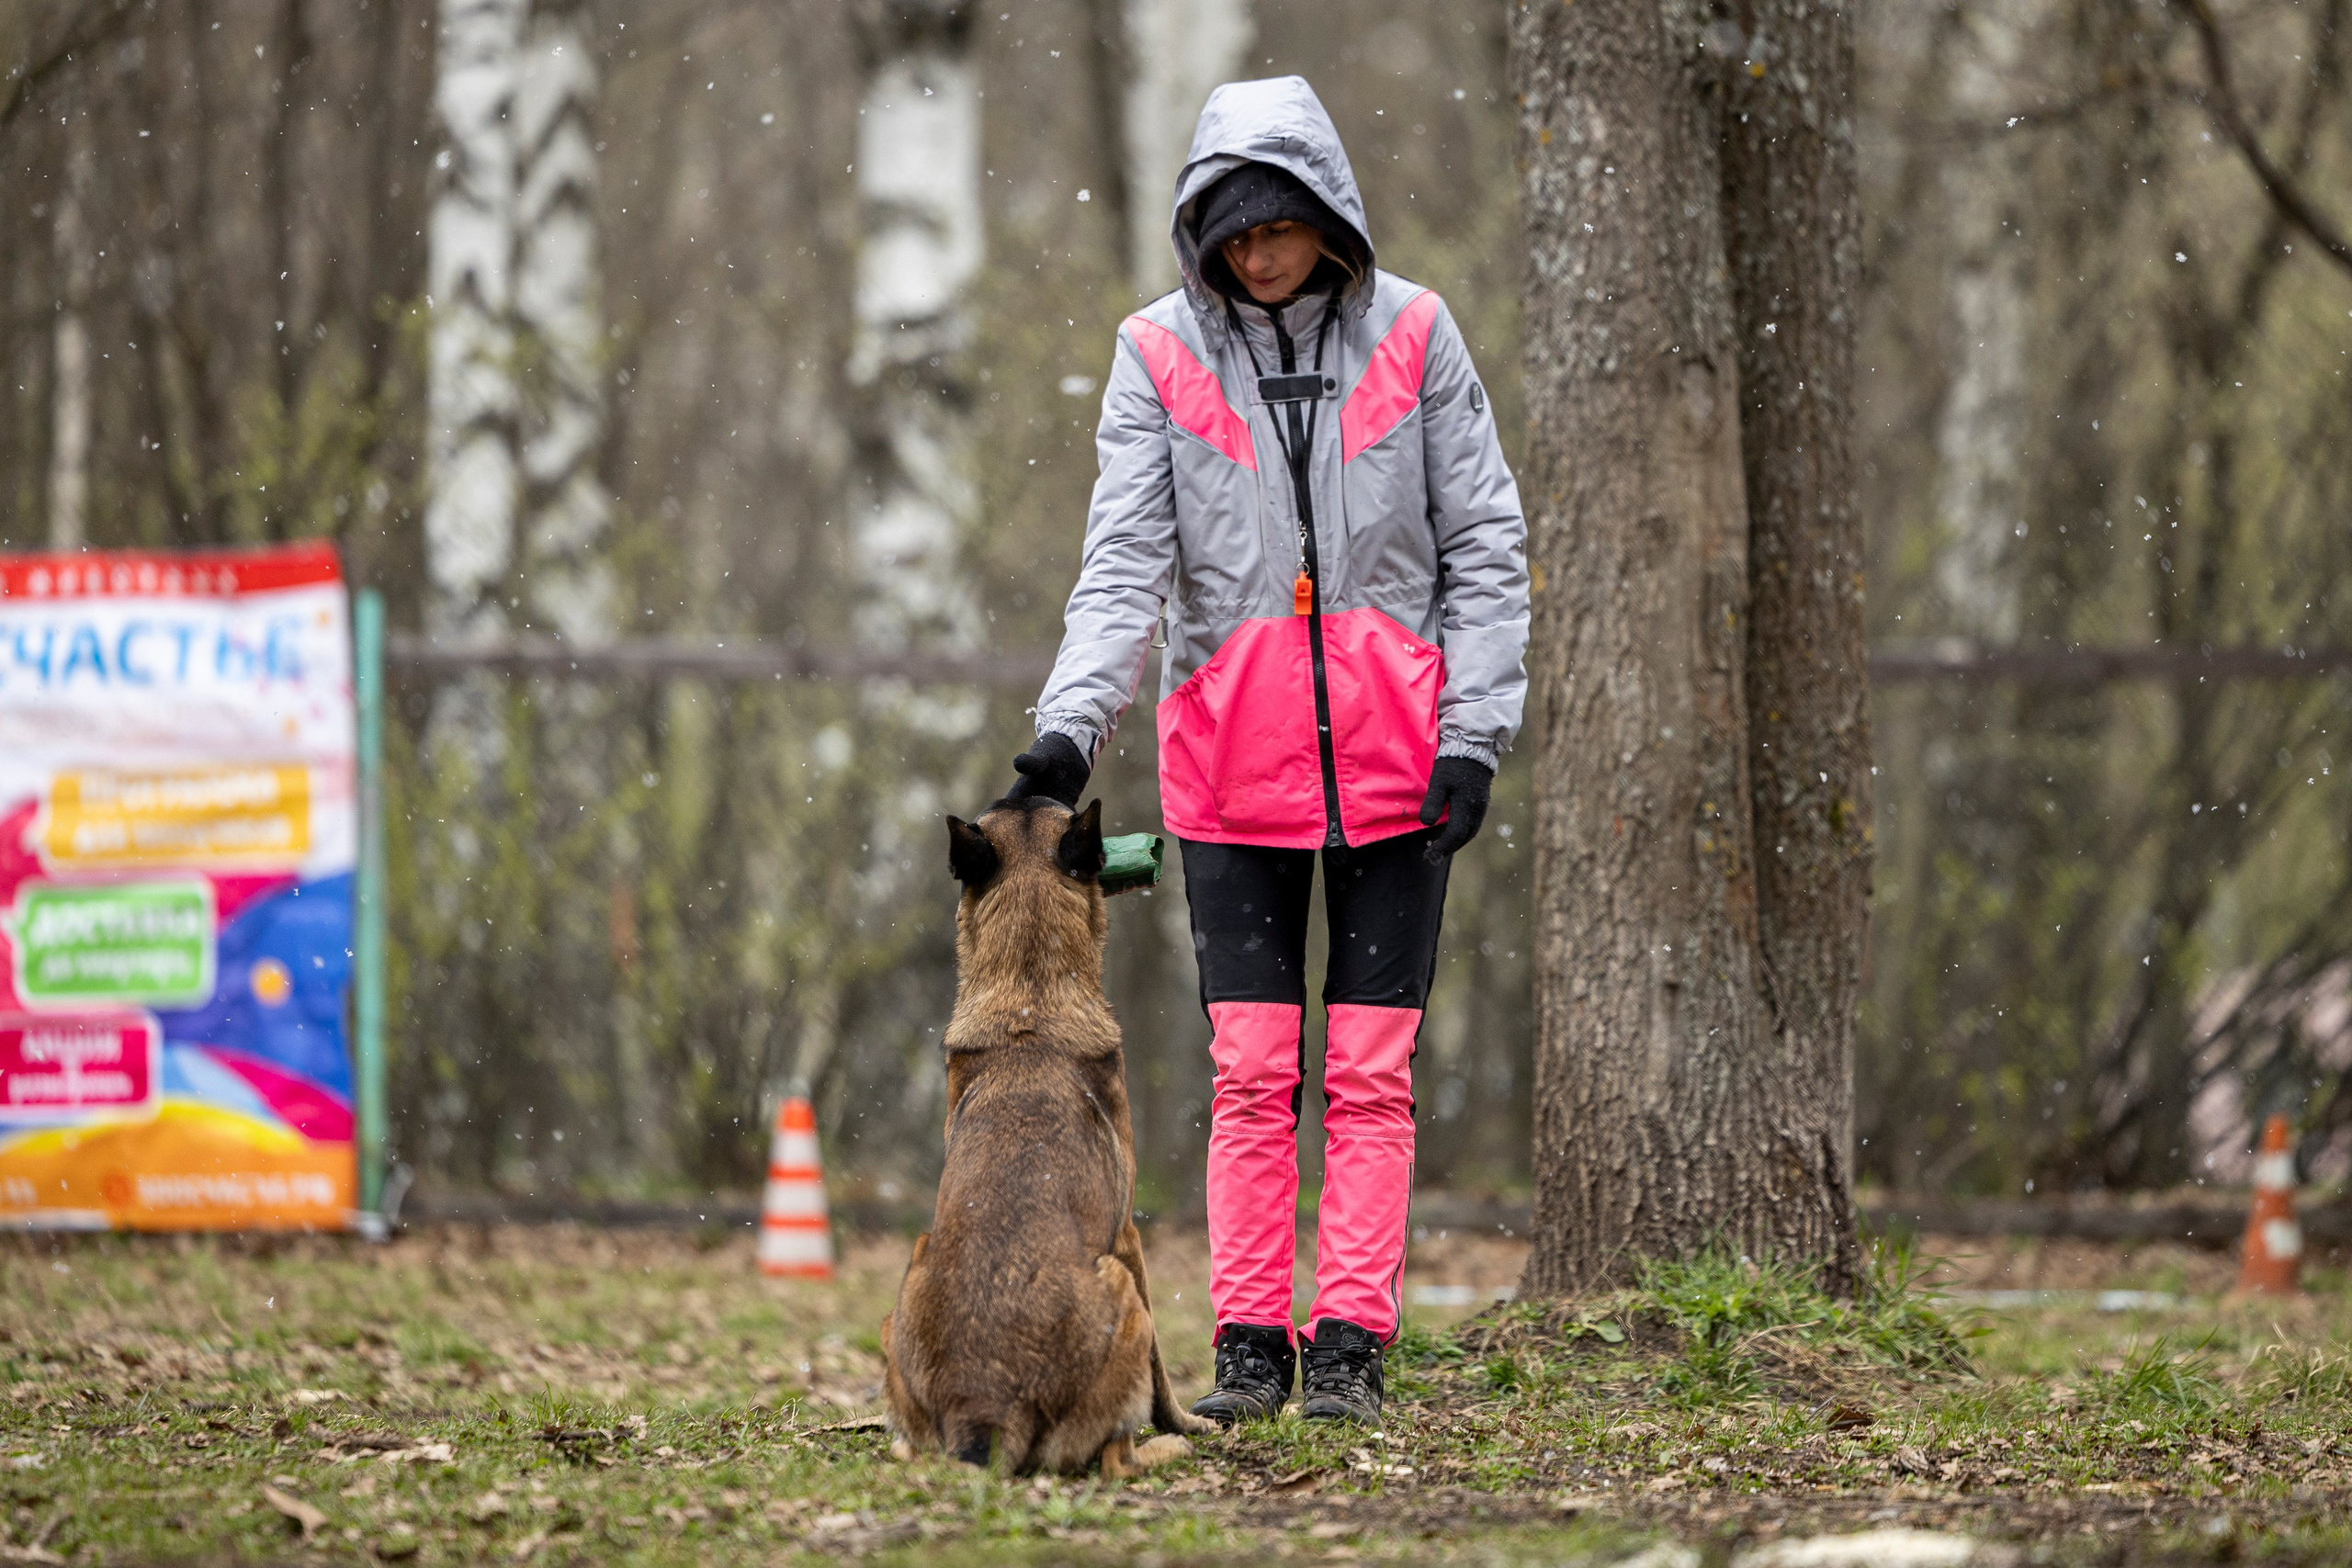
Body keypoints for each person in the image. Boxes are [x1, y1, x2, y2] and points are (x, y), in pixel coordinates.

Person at [1003, 76, 1528, 1429]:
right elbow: (1123, 565)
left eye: (1278, 226)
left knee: (1367, 1071)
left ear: (1326, 216)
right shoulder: (1155, 354)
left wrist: (1473, 733)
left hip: (1403, 771)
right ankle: (1248, 1343)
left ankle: (1349, 1343)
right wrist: (1066, 734)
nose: (1259, 254)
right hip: (1231, 775)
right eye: (1233, 233)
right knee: (1249, 1070)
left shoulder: (1418, 333)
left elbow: (1485, 543)